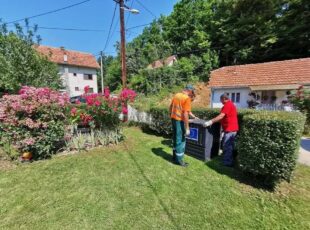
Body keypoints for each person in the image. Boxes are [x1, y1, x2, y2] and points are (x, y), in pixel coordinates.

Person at [203, 93, 239, 166]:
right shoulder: (229, 105)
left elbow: (221, 116)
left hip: (230, 129)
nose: (220, 101)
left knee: (227, 145)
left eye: (220, 99)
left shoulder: (228, 105)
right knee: (227, 145)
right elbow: (223, 118)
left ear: (224, 99)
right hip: (229, 128)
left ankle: (227, 163)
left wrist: (211, 121)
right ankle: (228, 160)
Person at [170, 85, 196, 167]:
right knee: (181, 140)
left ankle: (174, 157)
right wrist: (187, 128)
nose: (192, 94)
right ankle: (179, 160)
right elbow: (185, 113)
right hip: (179, 121)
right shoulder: (186, 98)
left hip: (173, 119)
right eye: (192, 92)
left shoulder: (177, 95)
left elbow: (170, 107)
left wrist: (171, 117)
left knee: (175, 138)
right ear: (190, 91)